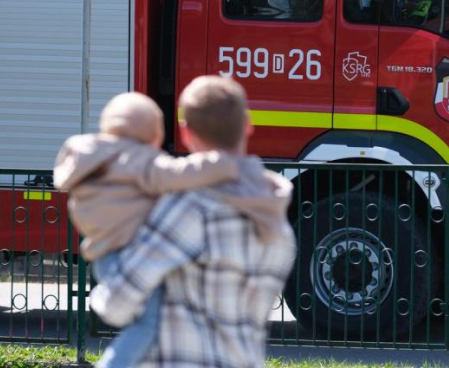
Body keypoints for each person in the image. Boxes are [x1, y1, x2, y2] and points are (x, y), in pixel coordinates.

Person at [90, 76, 297, 368]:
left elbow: (116, 305)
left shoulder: (192, 207)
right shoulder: (278, 219)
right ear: (248, 124)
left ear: (186, 133)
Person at [53, 92, 239, 368]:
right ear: (152, 132)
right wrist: (218, 162)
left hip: (104, 258)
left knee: (155, 324)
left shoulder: (90, 155)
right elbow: (180, 174)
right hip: (134, 258)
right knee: (150, 324)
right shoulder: (140, 160)